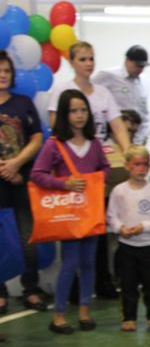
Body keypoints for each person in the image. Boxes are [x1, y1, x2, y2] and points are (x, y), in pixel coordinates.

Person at [49, 41, 132, 299]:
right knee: (74, 226)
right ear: (71, 62)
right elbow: (55, 127)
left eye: (91, 58)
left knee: (98, 225)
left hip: (97, 165)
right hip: (72, 167)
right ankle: (74, 284)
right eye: (83, 59)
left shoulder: (103, 93)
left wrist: (129, 153)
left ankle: (102, 280)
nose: (88, 63)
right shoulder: (62, 90)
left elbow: (117, 126)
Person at [31, 89, 111, 334]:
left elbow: (105, 168)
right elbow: (37, 174)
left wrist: (96, 180)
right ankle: (59, 315)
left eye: (83, 110)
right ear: (65, 115)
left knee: (89, 262)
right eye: (73, 111)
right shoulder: (54, 144)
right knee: (70, 263)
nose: (79, 115)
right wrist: (63, 183)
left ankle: (85, 311)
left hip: (90, 213)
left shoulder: (95, 143)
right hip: (68, 215)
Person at [0, 49, 45, 315]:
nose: (2, 76)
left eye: (6, 71)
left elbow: (36, 138)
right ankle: (1, 292)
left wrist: (16, 164)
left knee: (29, 238)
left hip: (21, 182)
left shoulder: (23, 102)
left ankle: (31, 289)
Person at [108, 145, 150, 331]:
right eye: (137, 164)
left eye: (145, 164)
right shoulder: (119, 191)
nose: (141, 168)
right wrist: (120, 228)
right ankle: (129, 316)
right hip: (126, 246)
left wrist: (144, 226)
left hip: (148, 245)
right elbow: (111, 215)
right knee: (128, 284)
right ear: (127, 166)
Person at [94, 45, 150, 144]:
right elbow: (88, 90)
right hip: (115, 136)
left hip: (137, 138)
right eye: (137, 65)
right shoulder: (108, 75)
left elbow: (144, 112)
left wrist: (144, 136)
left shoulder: (144, 81)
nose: (140, 69)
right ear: (127, 60)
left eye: (142, 66)